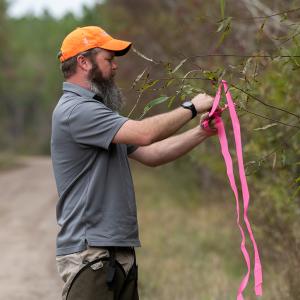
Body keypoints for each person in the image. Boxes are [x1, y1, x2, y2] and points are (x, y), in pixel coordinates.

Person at [51, 26, 217, 300]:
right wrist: (191, 107)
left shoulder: (97, 113)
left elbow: (151, 154)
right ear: (83, 61)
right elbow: (144, 132)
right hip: (92, 254)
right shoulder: (76, 110)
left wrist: (201, 132)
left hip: (115, 253)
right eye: (109, 59)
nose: (115, 67)